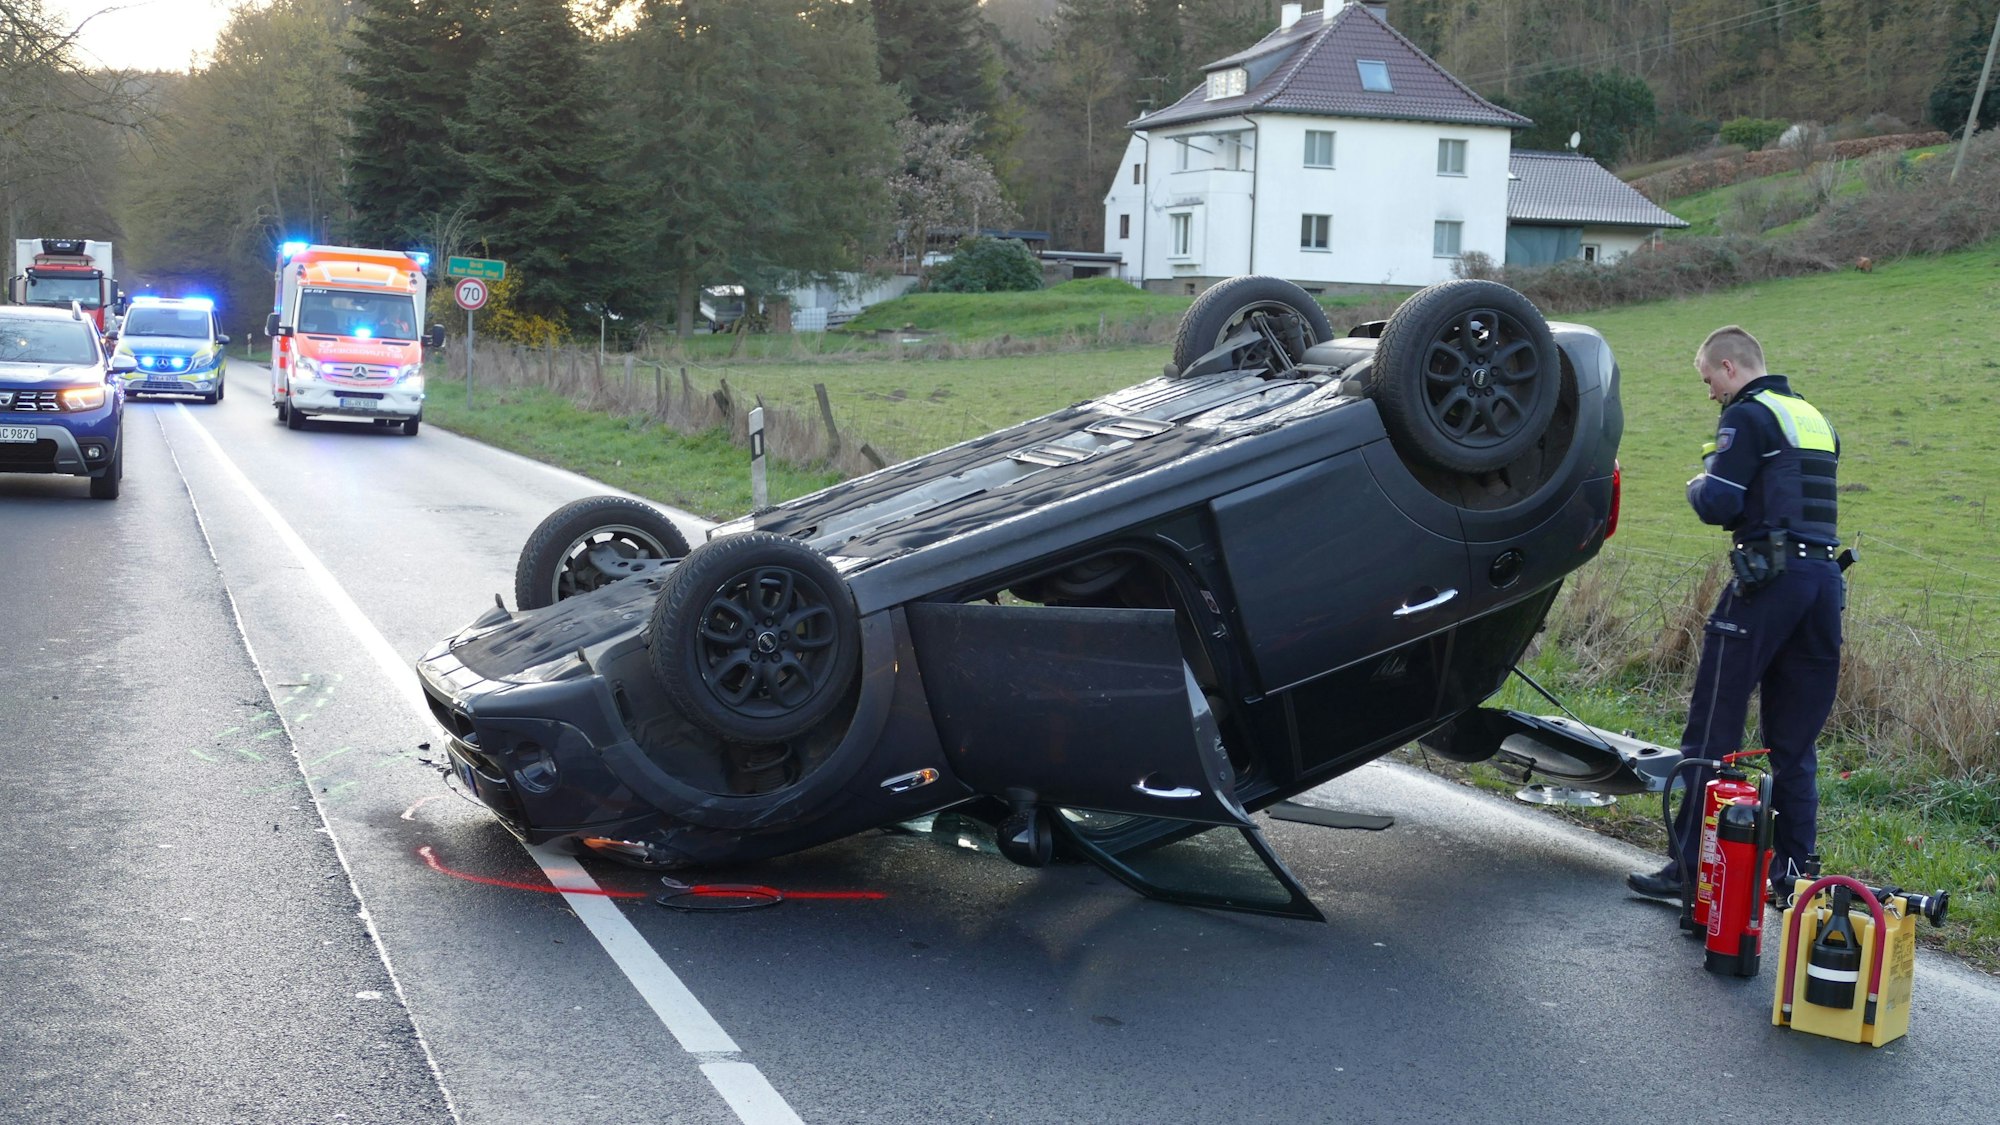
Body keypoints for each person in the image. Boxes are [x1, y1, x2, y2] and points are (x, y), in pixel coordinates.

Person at [1627, 325, 1846, 905]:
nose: (1710, 394)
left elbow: (1720, 502)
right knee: (1794, 744)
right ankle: (1794, 876)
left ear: (1729, 367)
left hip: (1767, 581)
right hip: (1824, 584)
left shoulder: (1747, 415)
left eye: (1708, 381)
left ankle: (1687, 869)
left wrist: (1697, 483)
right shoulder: (1814, 418)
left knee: (1713, 728)